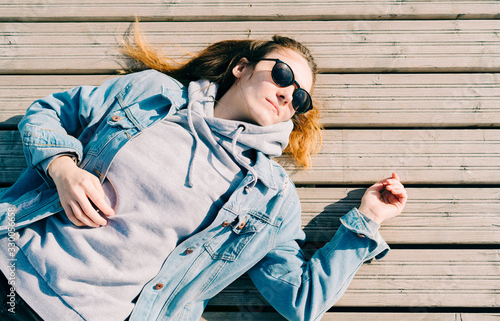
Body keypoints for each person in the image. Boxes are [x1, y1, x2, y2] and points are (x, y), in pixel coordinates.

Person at [0, 28, 407, 320]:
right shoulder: (150, 94)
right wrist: (62, 168)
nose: (287, 94)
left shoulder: (270, 198)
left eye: (299, 96)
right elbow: (46, 113)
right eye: (282, 75)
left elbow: (301, 301)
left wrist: (366, 221)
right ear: (242, 68)